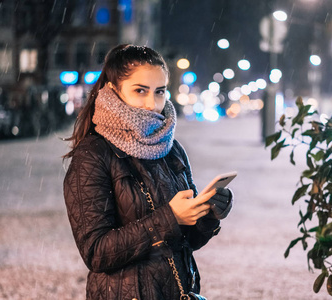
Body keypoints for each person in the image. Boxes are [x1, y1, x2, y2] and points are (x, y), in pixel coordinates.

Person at [63, 44, 233, 300]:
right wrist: (169, 218)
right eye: (140, 90)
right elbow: (96, 252)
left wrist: (209, 214)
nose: (152, 103)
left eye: (160, 91)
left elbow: (189, 242)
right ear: (113, 90)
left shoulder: (171, 148)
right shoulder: (93, 154)